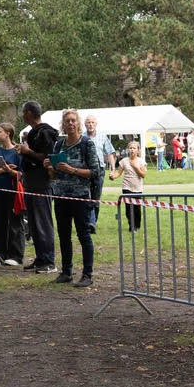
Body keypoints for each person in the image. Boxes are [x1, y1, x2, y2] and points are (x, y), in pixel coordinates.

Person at [46, 109, 102, 288]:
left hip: (80, 197)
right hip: (61, 196)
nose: (70, 123)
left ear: (78, 123)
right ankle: (66, 272)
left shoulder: (87, 144)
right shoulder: (58, 145)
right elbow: (53, 175)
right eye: (67, 121)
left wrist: (73, 170)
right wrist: (49, 166)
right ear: (63, 125)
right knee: (63, 235)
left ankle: (87, 274)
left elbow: (95, 172)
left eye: (73, 120)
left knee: (83, 235)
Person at [16, 101, 58, 274]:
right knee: (33, 223)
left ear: (30, 113)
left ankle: (49, 261)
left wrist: (28, 152)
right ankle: (40, 258)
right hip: (30, 183)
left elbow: (48, 157)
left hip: (42, 183)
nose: (22, 115)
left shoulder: (46, 132)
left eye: (24, 112)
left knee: (43, 222)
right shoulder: (33, 132)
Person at [0, 121, 25, 267]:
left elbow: (21, 173)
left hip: (14, 192)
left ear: (8, 133)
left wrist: (10, 171)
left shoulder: (17, 152)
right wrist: (3, 170)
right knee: (0, 222)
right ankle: (1, 253)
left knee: (15, 223)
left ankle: (16, 255)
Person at [83, 114, 116, 233]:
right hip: (85, 171)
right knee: (86, 197)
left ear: (96, 124)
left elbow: (110, 153)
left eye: (92, 122)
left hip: (99, 170)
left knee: (96, 198)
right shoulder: (81, 137)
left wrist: (113, 169)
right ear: (85, 124)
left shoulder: (102, 137)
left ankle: (93, 222)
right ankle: (89, 222)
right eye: (88, 123)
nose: (90, 125)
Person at [112, 140, 147, 233]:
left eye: (134, 148)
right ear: (128, 150)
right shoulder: (124, 161)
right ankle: (132, 226)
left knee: (137, 209)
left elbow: (143, 175)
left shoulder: (141, 162)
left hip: (138, 188)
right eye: (130, 148)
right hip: (126, 187)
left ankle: (137, 224)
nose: (132, 150)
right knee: (128, 208)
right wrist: (113, 176)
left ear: (138, 151)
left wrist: (136, 167)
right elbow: (118, 173)